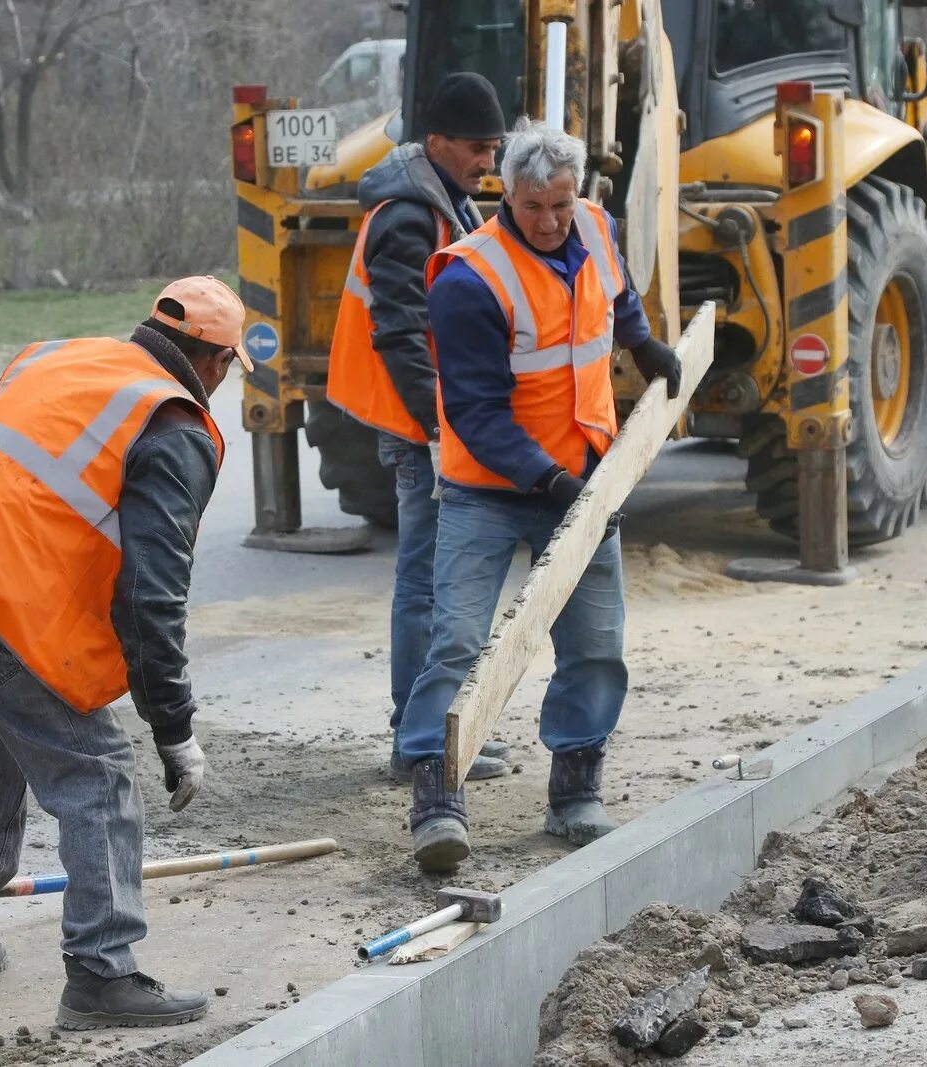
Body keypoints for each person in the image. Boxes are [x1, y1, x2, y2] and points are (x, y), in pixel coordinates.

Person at [0, 277, 249, 1030]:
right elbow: (151, 597)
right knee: (97, 774)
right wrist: (174, 730)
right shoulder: (171, 424)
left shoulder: (59, 358)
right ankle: (103, 974)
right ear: (214, 362)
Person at [397, 119, 682, 871]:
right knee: (458, 640)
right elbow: (477, 414)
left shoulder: (596, 225)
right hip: (487, 489)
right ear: (504, 198)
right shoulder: (469, 280)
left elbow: (613, 295)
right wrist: (551, 479)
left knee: (595, 644)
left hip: (583, 476)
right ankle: (436, 798)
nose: (552, 221)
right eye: (534, 208)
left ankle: (576, 792)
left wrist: (642, 340)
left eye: (561, 203)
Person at [325, 72, 513, 782]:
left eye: (493, 147)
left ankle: (433, 730)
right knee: (429, 581)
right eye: (475, 146)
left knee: (439, 580)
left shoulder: (441, 199)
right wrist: (439, 427)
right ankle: (419, 740)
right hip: (421, 426)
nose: (486, 161)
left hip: (438, 420)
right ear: (436, 141)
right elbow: (401, 333)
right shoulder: (410, 214)